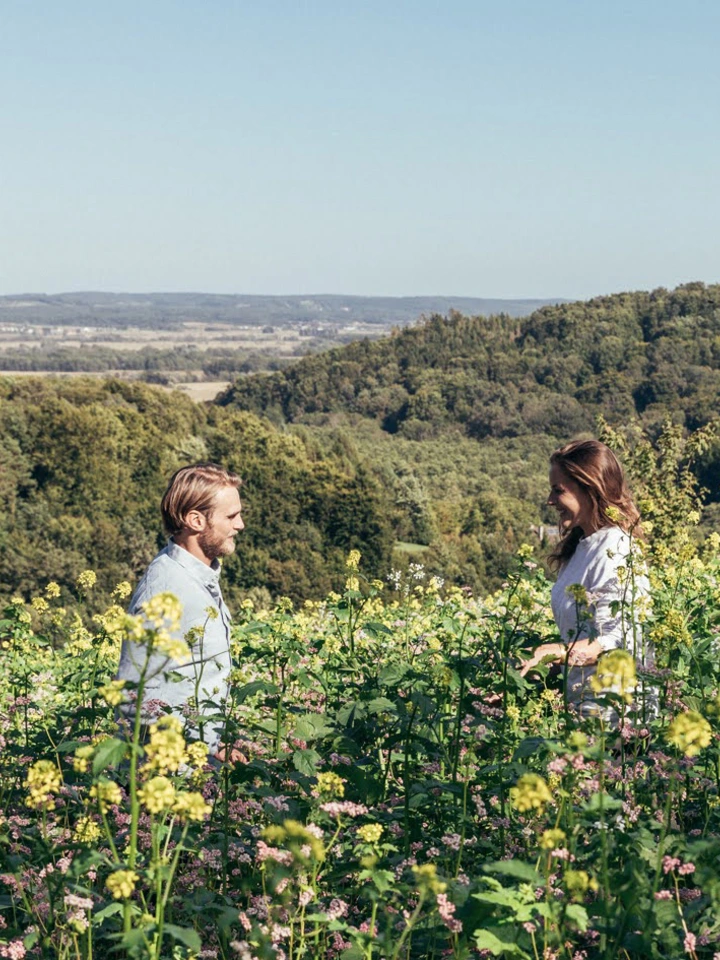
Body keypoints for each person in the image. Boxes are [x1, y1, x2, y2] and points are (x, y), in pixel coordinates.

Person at [115, 463, 244, 752]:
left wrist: (216, 747)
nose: (240, 525)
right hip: (172, 778)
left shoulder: (199, 575)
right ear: (195, 520)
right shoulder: (166, 591)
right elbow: (134, 700)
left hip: (200, 766)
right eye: (231, 516)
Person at [520, 440, 651, 718]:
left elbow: (615, 642)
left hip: (617, 721)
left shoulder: (616, 550)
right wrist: (521, 678)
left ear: (589, 489)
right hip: (584, 712)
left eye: (559, 491)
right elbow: (578, 643)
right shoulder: (582, 547)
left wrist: (551, 652)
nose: (550, 501)